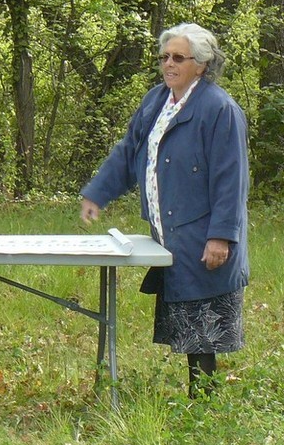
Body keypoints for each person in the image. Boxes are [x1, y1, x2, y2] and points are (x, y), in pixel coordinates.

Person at [80, 23, 249, 397]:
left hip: (202, 234)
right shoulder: (156, 101)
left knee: (203, 326)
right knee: (188, 321)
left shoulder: (220, 109)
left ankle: (203, 406)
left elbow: (231, 180)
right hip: (171, 233)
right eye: (164, 57)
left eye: (178, 58)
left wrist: (221, 237)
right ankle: (199, 401)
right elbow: (129, 152)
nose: (168, 64)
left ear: (201, 64)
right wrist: (97, 193)